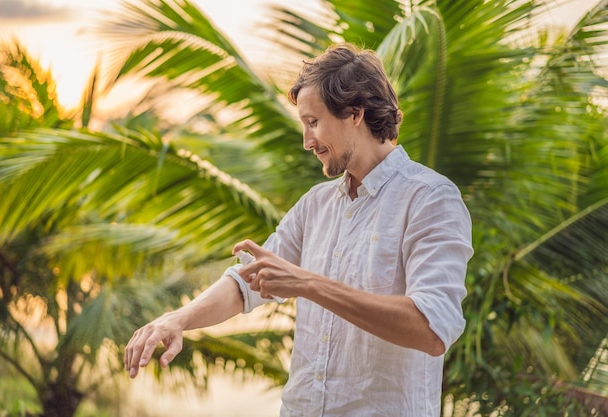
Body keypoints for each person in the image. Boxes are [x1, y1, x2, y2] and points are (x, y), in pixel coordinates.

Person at [124, 43, 473, 416]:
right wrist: (178, 319)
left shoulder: (431, 198)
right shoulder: (315, 205)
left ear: (355, 113)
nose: (307, 142)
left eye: (313, 123)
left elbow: (432, 329)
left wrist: (307, 284)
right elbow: (248, 281)